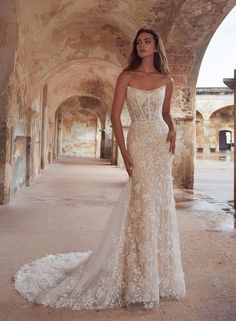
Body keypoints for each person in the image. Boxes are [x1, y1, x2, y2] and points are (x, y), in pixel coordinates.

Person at [12, 28, 186, 310]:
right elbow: (116, 117)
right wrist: (124, 151)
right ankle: (138, 276)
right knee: (140, 203)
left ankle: (160, 275)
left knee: (160, 204)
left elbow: (165, 113)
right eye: (139, 42)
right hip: (140, 140)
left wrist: (174, 130)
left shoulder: (167, 80)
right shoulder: (126, 77)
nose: (142, 45)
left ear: (156, 47)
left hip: (160, 142)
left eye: (147, 41)